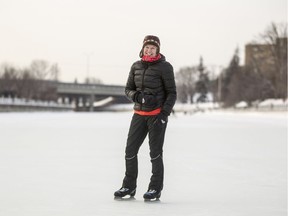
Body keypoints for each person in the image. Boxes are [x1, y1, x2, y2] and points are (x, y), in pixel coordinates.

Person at [114, 35, 177, 200]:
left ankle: (155, 189)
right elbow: (128, 89)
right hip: (139, 115)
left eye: (153, 48)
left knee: (155, 153)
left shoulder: (165, 67)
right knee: (130, 151)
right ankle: (129, 186)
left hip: (156, 116)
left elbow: (172, 93)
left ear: (158, 50)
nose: (149, 50)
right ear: (143, 49)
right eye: (147, 47)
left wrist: (164, 115)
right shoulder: (136, 66)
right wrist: (137, 96)